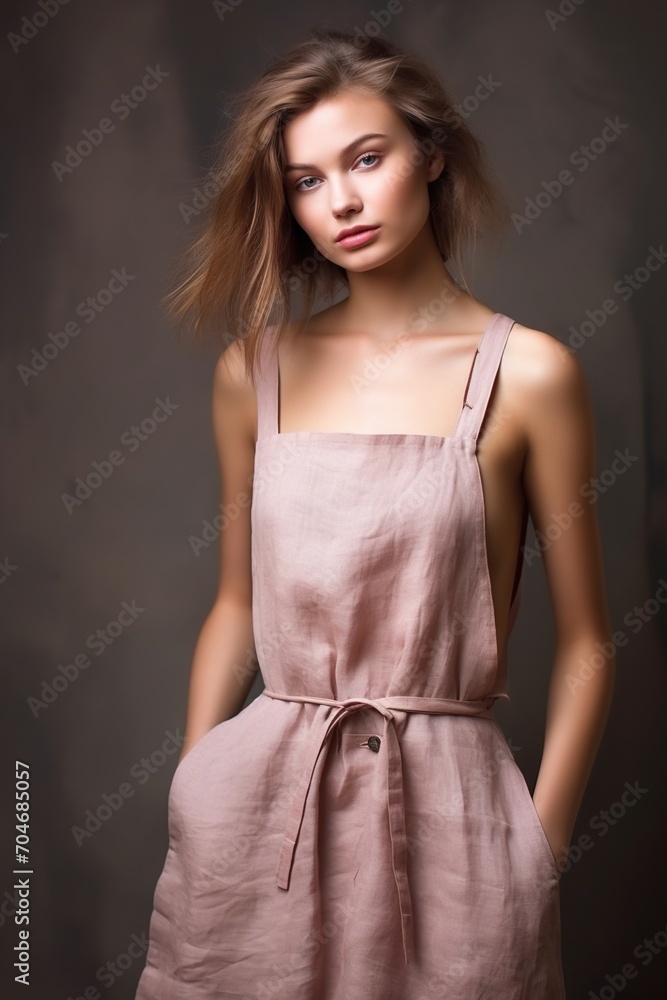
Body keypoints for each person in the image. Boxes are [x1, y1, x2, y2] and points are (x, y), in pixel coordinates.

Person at [135, 27, 615, 999]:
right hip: (256, 824)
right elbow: (235, 605)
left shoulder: (528, 375)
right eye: (307, 180)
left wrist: (539, 842)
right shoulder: (253, 372)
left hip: (455, 827)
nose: (341, 201)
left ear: (430, 156)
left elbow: (587, 641)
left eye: (366, 158)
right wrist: (196, 787)